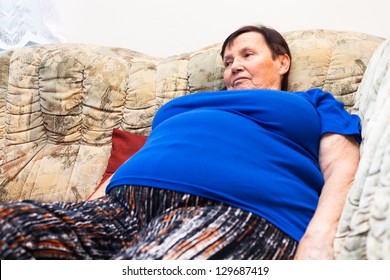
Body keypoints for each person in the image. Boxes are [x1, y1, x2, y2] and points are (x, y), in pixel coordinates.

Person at [0, 25, 361, 260]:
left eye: (248, 55)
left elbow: (342, 165)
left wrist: (319, 238)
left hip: (238, 209)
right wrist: (88, 207)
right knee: (12, 227)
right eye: (228, 61)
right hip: (122, 210)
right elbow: (144, 158)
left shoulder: (311, 101)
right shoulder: (182, 107)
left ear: (282, 62)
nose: (234, 66)